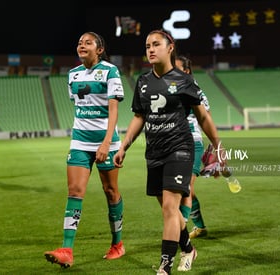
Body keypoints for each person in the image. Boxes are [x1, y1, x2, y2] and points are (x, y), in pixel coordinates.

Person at [113, 29, 225, 275]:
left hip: (180, 149)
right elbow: (139, 117)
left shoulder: (185, 81)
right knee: (169, 208)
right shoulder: (142, 82)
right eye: (147, 46)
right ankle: (188, 248)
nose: (150, 49)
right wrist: (123, 146)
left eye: (156, 44)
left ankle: (165, 266)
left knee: (169, 209)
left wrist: (218, 148)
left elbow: (203, 117)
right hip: (154, 152)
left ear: (170, 47)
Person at [44, 31, 125, 269]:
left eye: (87, 42)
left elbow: (113, 111)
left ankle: (117, 244)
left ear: (99, 49)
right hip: (79, 140)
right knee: (75, 190)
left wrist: (106, 142)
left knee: (110, 191)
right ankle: (67, 250)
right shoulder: (72, 74)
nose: (82, 45)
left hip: (105, 140)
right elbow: (80, 106)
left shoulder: (111, 71)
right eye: (79, 42)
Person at [175, 55, 209, 239]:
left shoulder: (195, 90)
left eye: (177, 68)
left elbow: (206, 118)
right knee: (185, 189)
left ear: (186, 71)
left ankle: (180, 232)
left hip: (193, 142)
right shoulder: (168, 87)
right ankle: (200, 227)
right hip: (173, 144)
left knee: (185, 187)